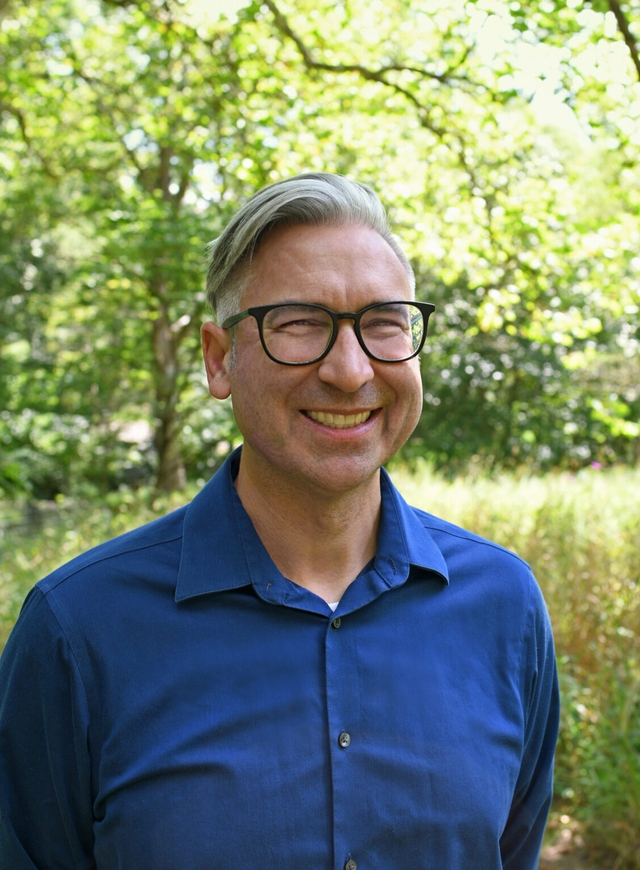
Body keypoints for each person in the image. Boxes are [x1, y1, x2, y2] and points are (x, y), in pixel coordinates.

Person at [0, 172, 559, 869]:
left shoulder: (504, 607)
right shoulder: (77, 632)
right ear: (218, 358)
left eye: (384, 323)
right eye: (301, 324)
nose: (351, 371)